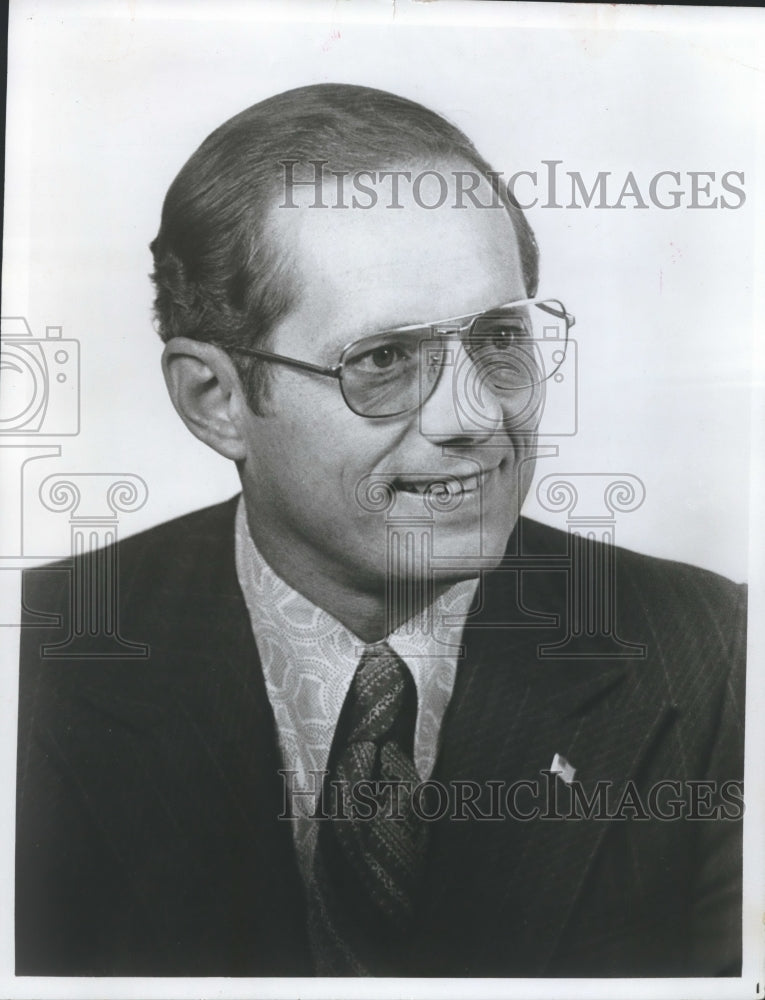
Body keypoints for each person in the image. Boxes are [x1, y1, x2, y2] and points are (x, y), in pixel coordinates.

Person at [16, 83, 746, 978]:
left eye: (496, 341)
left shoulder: (715, 657)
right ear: (216, 401)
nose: (470, 416)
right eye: (383, 360)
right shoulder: (40, 658)